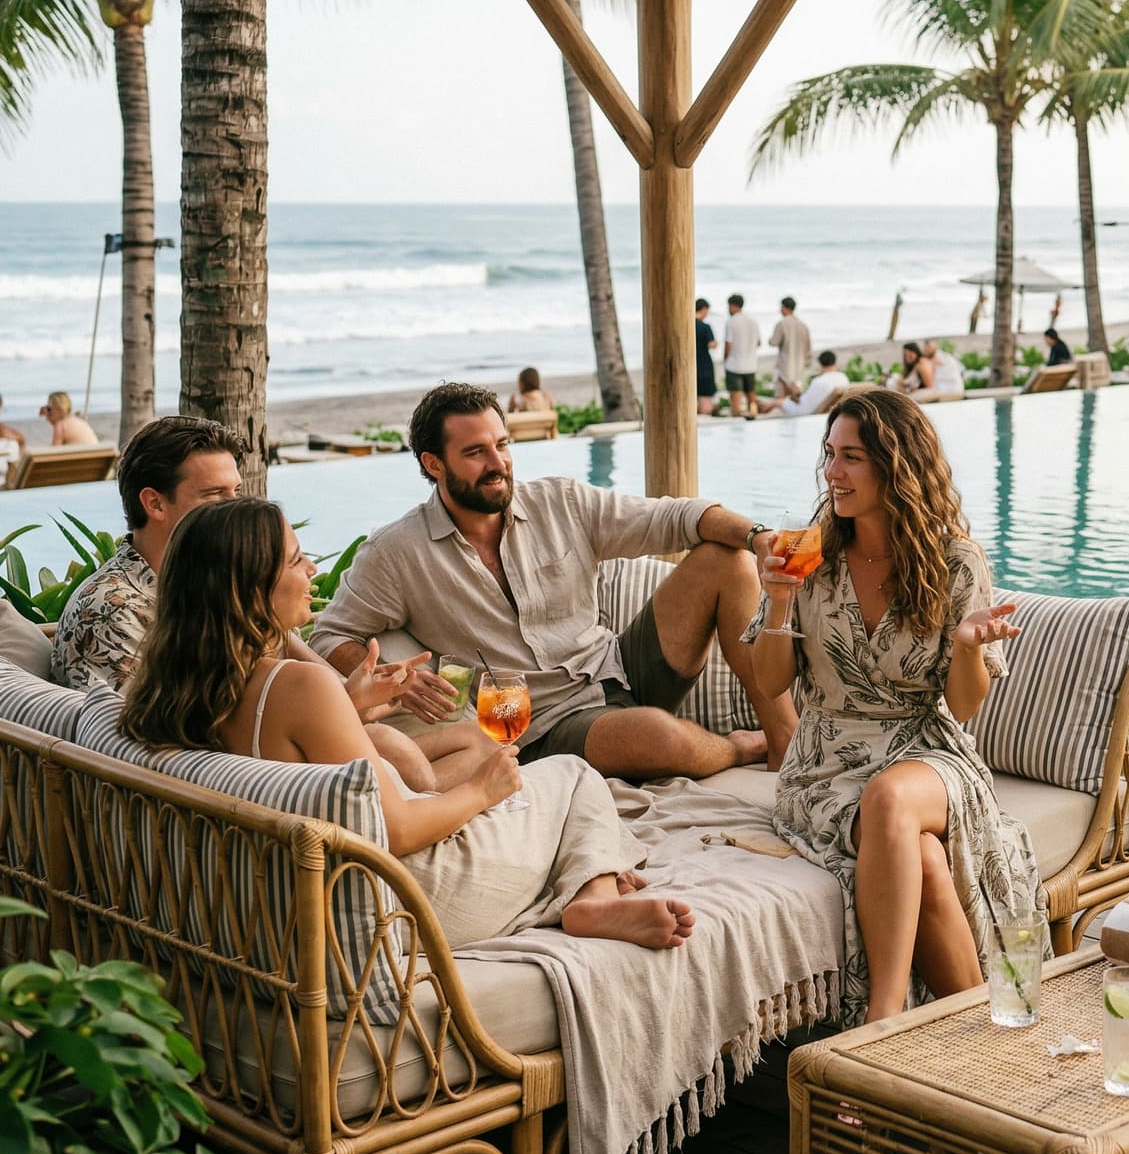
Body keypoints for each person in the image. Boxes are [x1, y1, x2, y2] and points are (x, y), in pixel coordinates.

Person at [125, 498, 694, 953]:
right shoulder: (296, 685)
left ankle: (592, 880)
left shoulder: (165, 690)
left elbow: (296, 750)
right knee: (568, 774)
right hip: (410, 897)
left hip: (288, 897)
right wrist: (483, 789)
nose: (312, 570)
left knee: (511, 779)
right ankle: (592, 894)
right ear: (249, 588)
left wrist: (353, 706)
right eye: (296, 560)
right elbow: (396, 831)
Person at [312, 383, 794, 783]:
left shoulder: (560, 501)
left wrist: (758, 537)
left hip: (620, 668)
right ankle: (737, 748)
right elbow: (330, 633)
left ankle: (785, 743)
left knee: (726, 559)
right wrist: (399, 678)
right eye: (475, 452)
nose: (497, 463)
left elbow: (678, 516)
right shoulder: (397, 552)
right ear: (434, 464)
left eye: (502, 445)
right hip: (543, 724)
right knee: (657, 736)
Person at [748, 390, 1040, 1023]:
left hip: (924, 753)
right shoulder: (810, 556)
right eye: (830, 455)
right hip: (823, 770)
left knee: (889, 797)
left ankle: (878, 1025)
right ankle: (979, 1043)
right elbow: (769, 682)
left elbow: (962, 707)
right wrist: (775, 599)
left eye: (851, 457)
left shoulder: (954, 563)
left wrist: (965, 646)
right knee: (926, 860)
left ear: (896, 465)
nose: (832, 472)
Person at [51, 416, 475, 792]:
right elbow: (155, 756)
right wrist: (346, 708)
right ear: (154, 503)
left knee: (465, 740)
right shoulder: (113, 610)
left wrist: (369, 690)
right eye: (215, 496)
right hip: (241, 805)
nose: (235, 509)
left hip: (287, 759)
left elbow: (320, 679)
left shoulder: (232, 584)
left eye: (237, 491)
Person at [761, 350, 850, 418]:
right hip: (828, 410)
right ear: (834, 362)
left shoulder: (819, 381)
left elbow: (805, 404)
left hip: (806, 412)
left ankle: (759, 412)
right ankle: (760, 408)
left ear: (821, 364)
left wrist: (796, 394)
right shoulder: (843, 377)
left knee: (777, 402)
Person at [723, 294, 762, 419]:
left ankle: (736, 419)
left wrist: (725, 359)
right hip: (750, 364)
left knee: (736, 398)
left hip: (734, 365)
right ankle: (753, 416)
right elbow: (759, 342)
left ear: (733, 306)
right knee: (751, 395)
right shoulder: (753, 321)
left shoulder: (731, 322)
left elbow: (728, 344)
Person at [769, 297, 813, 401]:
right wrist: (808, 362)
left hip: (785, 365)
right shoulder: (803, 325)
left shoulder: (782, 324)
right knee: (796, 397)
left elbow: (774, 342)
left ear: (784, 308)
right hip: (799, 365)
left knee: (781, 397)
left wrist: (769, 340)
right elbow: (808, 347)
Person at [693, 298, 718, 417]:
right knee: (706, 399)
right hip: (704, 366)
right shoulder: (705, 327)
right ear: (703, 309)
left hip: (689, 365)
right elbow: (711, 344)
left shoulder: (686, 326)